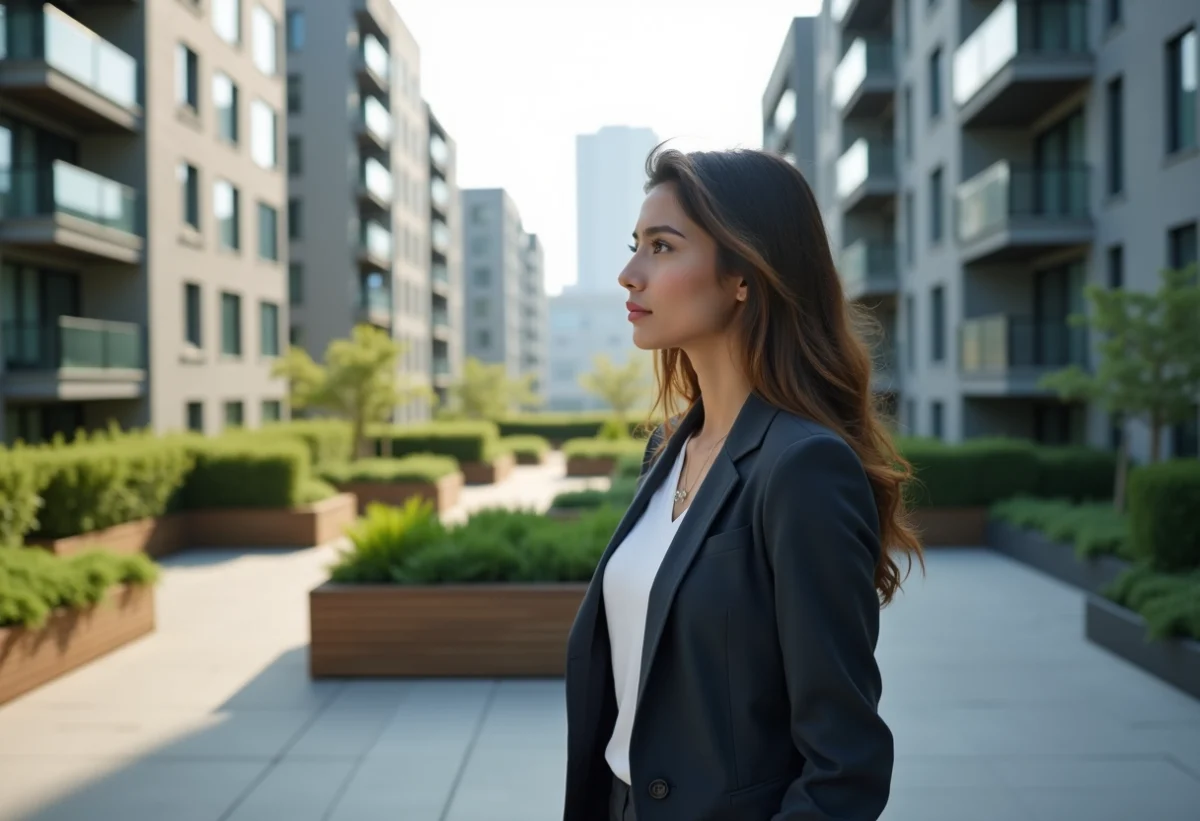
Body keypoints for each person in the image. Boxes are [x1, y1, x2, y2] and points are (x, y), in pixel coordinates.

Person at [561, 145, 925, 821]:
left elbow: (845, 762)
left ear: (743, 277)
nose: (629, 274)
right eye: (636, 246)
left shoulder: (803, 467)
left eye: (662, 247)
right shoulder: (668, 447)